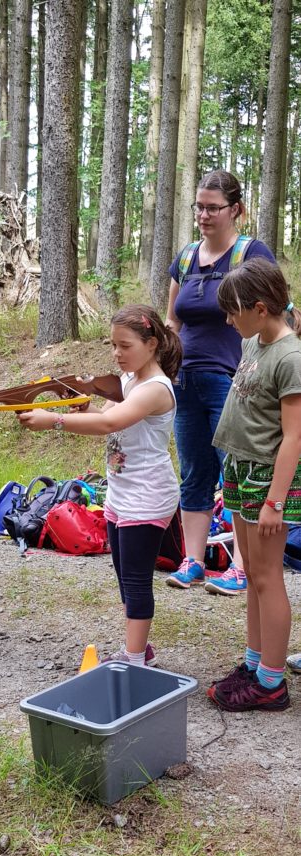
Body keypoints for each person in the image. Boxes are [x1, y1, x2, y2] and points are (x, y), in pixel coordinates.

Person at [17, 304, 182, 669]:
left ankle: (135, 659)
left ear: (152, 344)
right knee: (125, 575)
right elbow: (103, 415)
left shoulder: (155, 388)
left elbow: (110, 424)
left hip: (148, 495)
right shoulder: (129, 381)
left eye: (125, 346)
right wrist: (80, 406)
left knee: (137, 581)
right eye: (113, 345)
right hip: (123, 493)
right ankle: (139, 648)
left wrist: (54, 419)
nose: (116, 353)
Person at [165, 170, 276, 595]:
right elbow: (173, 319)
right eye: (199, 206)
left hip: (236, 383)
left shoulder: (251, 253)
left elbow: (278, 311)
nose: (204, 215)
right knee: (194, 472)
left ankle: (242, 566)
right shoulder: (187, 258)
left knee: (237, 471)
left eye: (213, 207)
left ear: (236, 210)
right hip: (186, 380)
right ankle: (193, 561)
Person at [207, 257, 301, 712]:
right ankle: (254, 662)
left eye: (233, 312)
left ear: (260, 308)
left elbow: (294, 437)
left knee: (267, 577)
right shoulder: (254, 342)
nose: (228, 320)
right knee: (252, 579)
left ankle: (272, 682)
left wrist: (275, 503)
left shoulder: (289, 356)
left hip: (268, 480)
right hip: (241, 470)